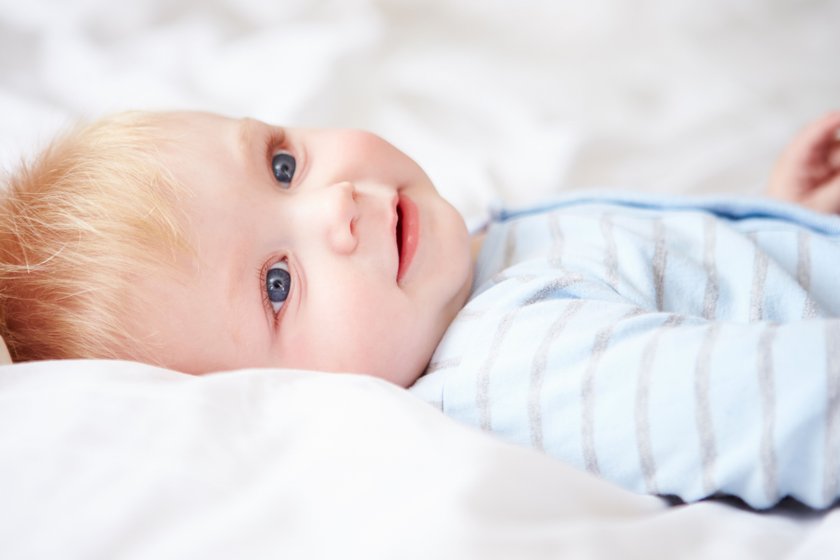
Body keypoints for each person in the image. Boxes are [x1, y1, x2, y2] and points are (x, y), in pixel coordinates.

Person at [1, 110, 839, 508]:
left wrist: (771, 222)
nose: (337, 207)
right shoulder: (527, 367)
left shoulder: (463, 266)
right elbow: (788, 403)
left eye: (283, 165)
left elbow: (689, 317)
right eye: (276, 285)